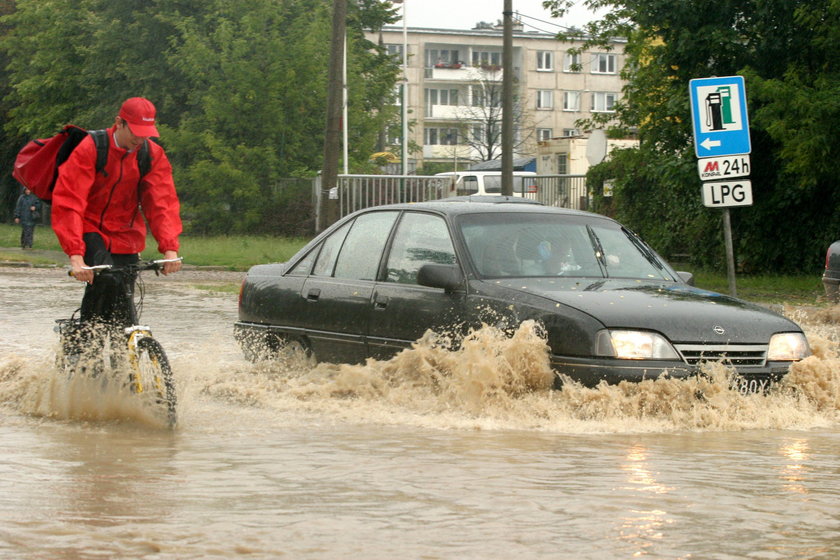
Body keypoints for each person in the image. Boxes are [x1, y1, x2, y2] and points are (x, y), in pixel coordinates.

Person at [51, 97, 182, 349]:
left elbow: (161, 203)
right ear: (119, 123)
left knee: (124, 298)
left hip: (126, 234)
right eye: (136, 132)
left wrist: (169, 248)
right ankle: (87, 346)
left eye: (146, 134)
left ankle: (126, 365)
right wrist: (76, 256)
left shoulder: (151, 154)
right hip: (90, 228)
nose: (141, 139)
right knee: (107, 277)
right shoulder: (92, 147)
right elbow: (69, 202)